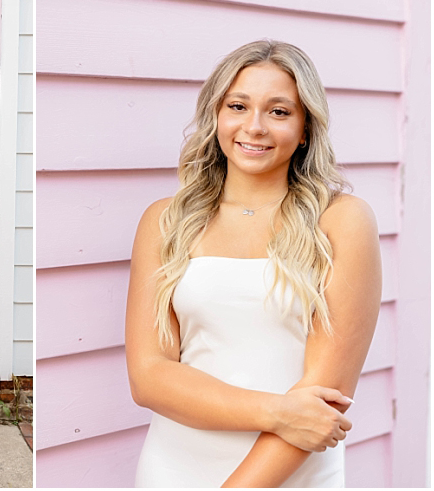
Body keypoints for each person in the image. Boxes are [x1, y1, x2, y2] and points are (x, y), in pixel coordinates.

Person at [126, 40, 381, 487]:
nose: (255, 127)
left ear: (305, 128)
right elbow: (149, 376)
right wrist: (280, 411)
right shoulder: (165, 221)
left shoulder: (342, 221)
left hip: (291, 470)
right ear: (217, 116)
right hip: (173, 466)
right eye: (238, 106)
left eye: (279, 112)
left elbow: (322, 400)